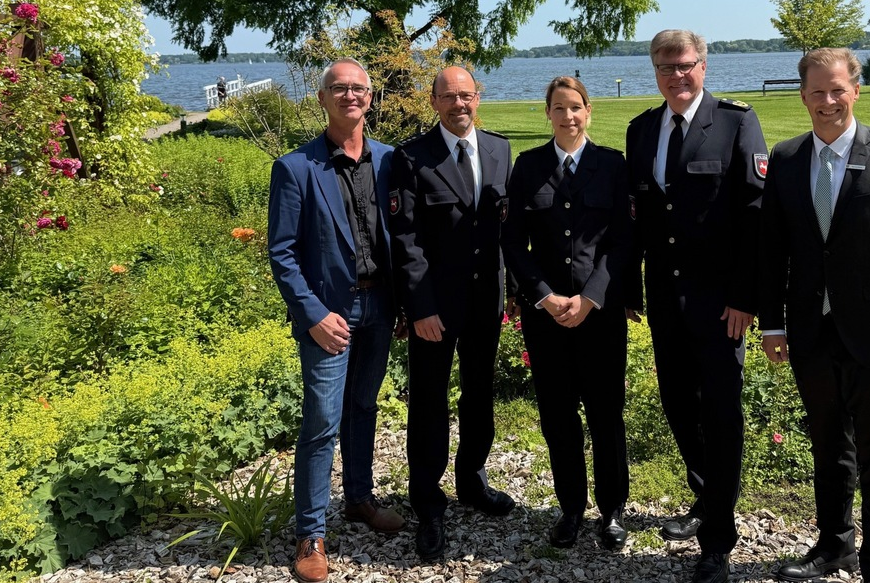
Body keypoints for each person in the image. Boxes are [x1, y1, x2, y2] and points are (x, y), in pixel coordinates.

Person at [758, 48, 870, 583]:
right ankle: (835, 545)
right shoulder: (786, 160)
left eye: (838, 90)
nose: (828, 101)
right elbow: (773, 250)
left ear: (855, 90)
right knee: (828, 447)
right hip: (812, 331)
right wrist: (773, 322)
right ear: (803, 96)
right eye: (817, 91)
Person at [625, 29, 768, 583]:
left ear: (703, 67)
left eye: (686, 66)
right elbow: (640, 219)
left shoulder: (735, 123)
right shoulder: (642, 131)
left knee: (722, 413)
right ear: (655, 72)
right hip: (665, 298)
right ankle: (705, 498)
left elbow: (755, 215)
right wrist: (631, 292)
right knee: (679, 405)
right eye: (666, 68)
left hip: (719, 303)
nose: (677, 76)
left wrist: (744, 297)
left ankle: (718, 542)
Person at [267, 58, 405, 583]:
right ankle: (310, 532)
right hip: (331, 314)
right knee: (322, 422)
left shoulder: (390, 161)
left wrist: (404, 305)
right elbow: (282, 253)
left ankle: (360, 500)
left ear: (372, 98)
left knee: (364, 407)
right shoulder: (296, 167)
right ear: (322, 99)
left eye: (359, 88)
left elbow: (405, 238)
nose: (351, 95)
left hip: (380, 308)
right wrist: (313, 314)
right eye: (339, 88)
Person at [389, 66, 516, 562]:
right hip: (435, 310)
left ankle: (472, 481)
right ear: (434, 100)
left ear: (477, 98)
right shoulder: (412, 157)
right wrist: (418, 307)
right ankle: (428, 501)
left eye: (467, 96)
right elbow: (407, 239)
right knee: (429, 401)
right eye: (449, 97)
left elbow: (506, 231)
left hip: (487, 303)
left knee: (480, 393)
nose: (459, 104)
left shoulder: (500, 150)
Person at [501, 76, 632, 551]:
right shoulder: (529, 166)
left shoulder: (612, 166)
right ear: (548, 114)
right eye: (559, 108)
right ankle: (571, 507)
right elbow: (513, 241)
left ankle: (613, 509)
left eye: (576, 107)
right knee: (558, 415)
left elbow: (623, 242)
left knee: (605, 414)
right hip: (548, 316)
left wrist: (593, 296)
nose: (568, 116)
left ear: (588, 111)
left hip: (600, 315)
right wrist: (543, 295)